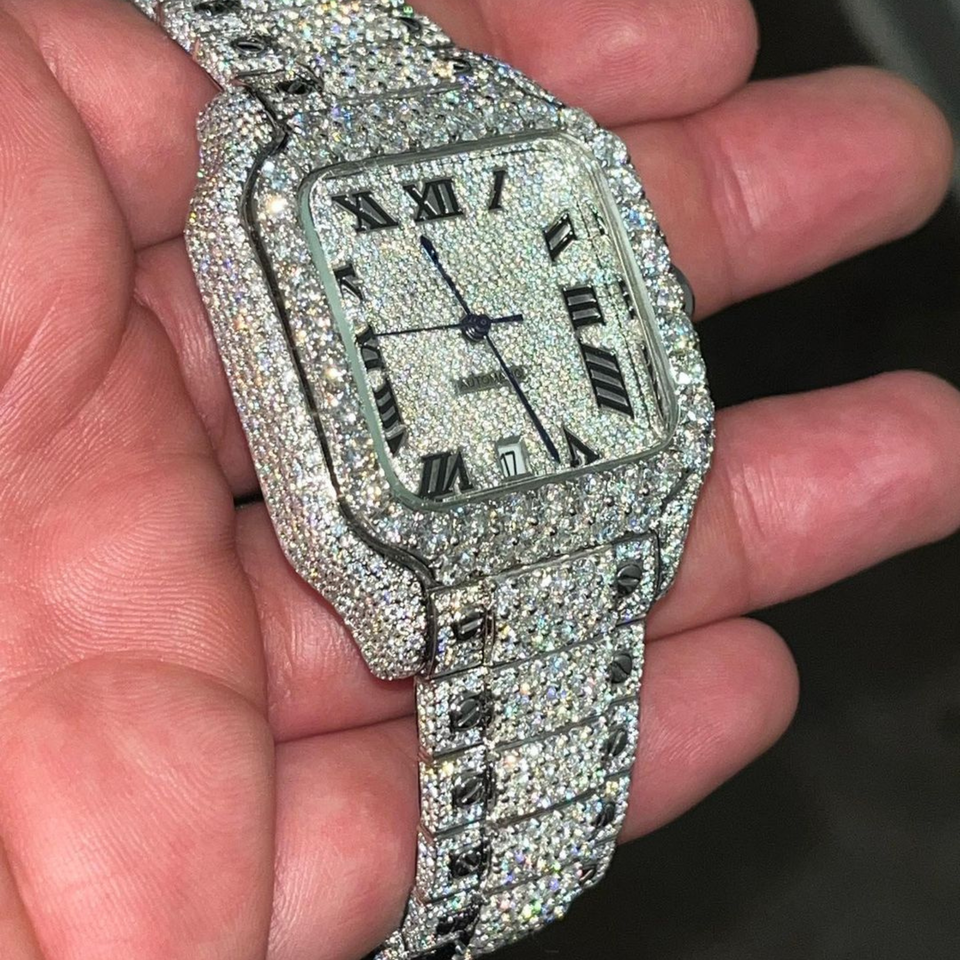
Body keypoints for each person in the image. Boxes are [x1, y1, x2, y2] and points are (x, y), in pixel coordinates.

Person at [0, 1, 957, 958]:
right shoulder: (273, 172)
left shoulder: (516, 137)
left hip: (611, 502)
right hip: (446, 546)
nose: (474, 328)